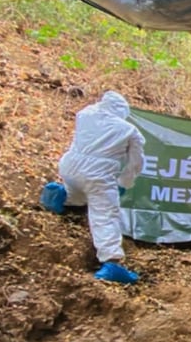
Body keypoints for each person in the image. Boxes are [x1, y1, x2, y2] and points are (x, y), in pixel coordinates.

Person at [58, 91, 145, 266]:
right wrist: (124, 183)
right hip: (98, 175)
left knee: (79, 195)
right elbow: (136, 163)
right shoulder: (129, 130)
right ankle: (111, 262)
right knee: (105, 214)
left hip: (69, 167)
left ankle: (59, 196)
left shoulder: (85, 114)